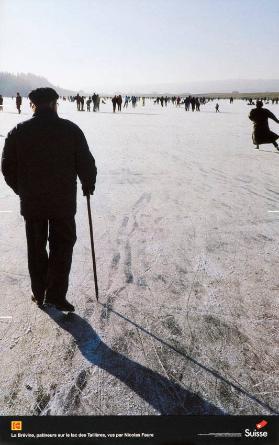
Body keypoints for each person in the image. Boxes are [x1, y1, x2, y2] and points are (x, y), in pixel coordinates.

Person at [1, 88, 97, 312]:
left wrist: (22, 189)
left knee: (36, 248)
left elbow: (7, 168)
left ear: (32, 105)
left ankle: (39, 292)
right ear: (55, 103)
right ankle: (56, 295)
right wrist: (88, 182)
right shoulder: (71, 130)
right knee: (62, 247)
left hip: (33, 203)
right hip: (63, 202)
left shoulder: (18, 131)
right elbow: (85, 161)